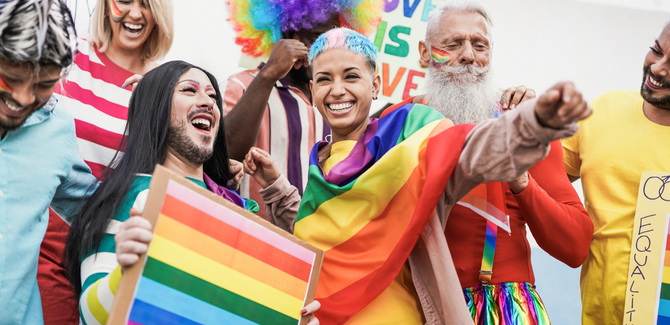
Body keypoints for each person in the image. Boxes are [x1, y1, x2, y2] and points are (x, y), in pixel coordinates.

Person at [246, 27, 592, 324]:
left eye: (351, 76)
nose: (337, 90)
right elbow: (321, 239)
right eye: (324, 79)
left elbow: (471, 151)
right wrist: (277, 188)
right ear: (312, 92)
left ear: (376, 84)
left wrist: (530, 125)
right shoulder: (319, 162)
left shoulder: (406, 139)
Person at [65, 60, 318, 325]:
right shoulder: (132, 197)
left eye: (212, 95)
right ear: (156, 107)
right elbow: (92, 315)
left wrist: (291, 317)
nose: (208, 101)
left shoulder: (238, 210)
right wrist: (125, 273)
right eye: (189, 90)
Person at [390, 2, 594, 324]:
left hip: (500, 308)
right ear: (426, 53)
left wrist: (522, 181)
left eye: (479, 44)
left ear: (490, 52)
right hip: (413, 304)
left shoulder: (523, 125)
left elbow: (576, 246)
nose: (468, 55)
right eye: (453, 44)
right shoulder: (397, 124)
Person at [39, 1, 174, 323]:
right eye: (125, 1)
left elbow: (168, 166)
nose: (136, 14)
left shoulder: (163, 83)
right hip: (47, 237)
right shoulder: (69, 54)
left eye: (148, 5)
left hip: (111, 245)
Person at [221, 0, 383, 218]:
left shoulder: (336, 101)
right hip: (251, 236)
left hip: (316, 240)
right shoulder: (244, 85)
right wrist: (269, 73)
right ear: (286, 34)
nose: (323, 51)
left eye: (332, 39)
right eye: (315, 39)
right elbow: (224, 156)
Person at [562, 23, 670, 325]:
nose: (658, 69)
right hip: (597, 316)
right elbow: (538, 180)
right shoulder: (603, 111)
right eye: (656, 51)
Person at [0, 0, 98, 323]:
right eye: (10, 78)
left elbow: (96, 212)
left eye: (43, 85)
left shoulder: (58, 129)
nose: (24, 98)